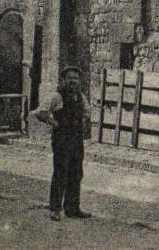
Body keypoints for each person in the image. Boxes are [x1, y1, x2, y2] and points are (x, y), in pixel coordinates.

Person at [35, 64, 90, 221]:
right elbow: (41, 112)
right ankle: (55, 209)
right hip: (62, 140)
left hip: (76, 140)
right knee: (61, 172)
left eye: (76, 78)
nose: (73, 81)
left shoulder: (81, 97)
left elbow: (87, 112)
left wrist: (82, 123)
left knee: (76, 173)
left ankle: (72, 208)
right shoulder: (56, 96)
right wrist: (55, 124)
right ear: (63, 80)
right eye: (70, 78)